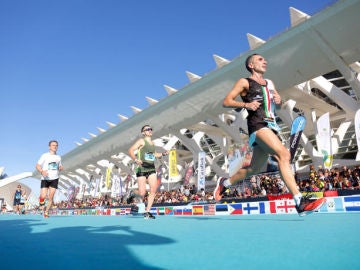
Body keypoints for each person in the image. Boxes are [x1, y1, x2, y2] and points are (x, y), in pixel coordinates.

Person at [213, 53, 326, 216]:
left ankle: (225, 183)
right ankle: (299, 201)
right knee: (283, 155)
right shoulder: (245, 82)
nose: (265, 61)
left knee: (253, 169)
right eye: (260, 59)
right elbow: (226, 101)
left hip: (271, 126)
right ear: (251, 65)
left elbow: (275, 107)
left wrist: (279, 101)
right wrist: (246, 104)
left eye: (265, 59)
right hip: (257, 125)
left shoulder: (270, 83)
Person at [128, 125, 168, 219]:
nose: (150, 130)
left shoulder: (153, 143)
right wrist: (135, 159)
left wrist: (163, 154)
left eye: (151, 129)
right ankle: (133, 193)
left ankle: (147, 212)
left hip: (151, 168)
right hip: (141, 168)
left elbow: (154, 155)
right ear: (143, 132)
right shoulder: (141, 141)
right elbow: (130, 150)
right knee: (142, 193)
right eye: (147, 129)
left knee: (153, 190)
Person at [35, 140, 64, 218]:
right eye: (53, 145)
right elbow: (37, 165)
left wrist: (60, 167)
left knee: (51, 197)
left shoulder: (58, 157)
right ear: (49, 147)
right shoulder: (45, 155)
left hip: (55, 178)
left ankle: (46, 212)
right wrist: (42, 171)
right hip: (45, 178)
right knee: (43, 196)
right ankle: (41, 204)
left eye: (56, 145)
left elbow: (59, 166)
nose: (55, 146)